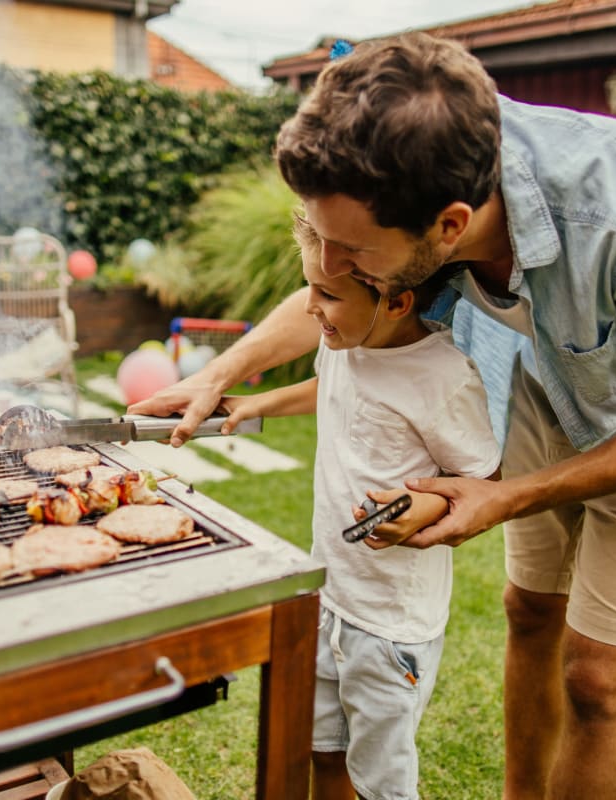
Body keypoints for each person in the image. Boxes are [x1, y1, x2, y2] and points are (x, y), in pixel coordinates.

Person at [128, 32, 616, 800]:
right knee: (529, 610)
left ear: (450, 227)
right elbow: (335, 293)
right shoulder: (418, 170)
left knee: (597, 680)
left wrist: (505, 494)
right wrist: (220, 373)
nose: (326, 269)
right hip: (547, 381)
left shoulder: (608, 219)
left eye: (349, 252)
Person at [220, 213, 501, 800]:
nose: (311, 307)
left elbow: (481, 476)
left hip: (390, 624)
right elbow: (331, 388)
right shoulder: (345, 343)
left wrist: (421, 511)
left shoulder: (444, 377)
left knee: (381, 783)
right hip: (329, 596)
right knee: (324, 752)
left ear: (395, 301)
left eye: (326, 294)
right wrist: (256, 401)